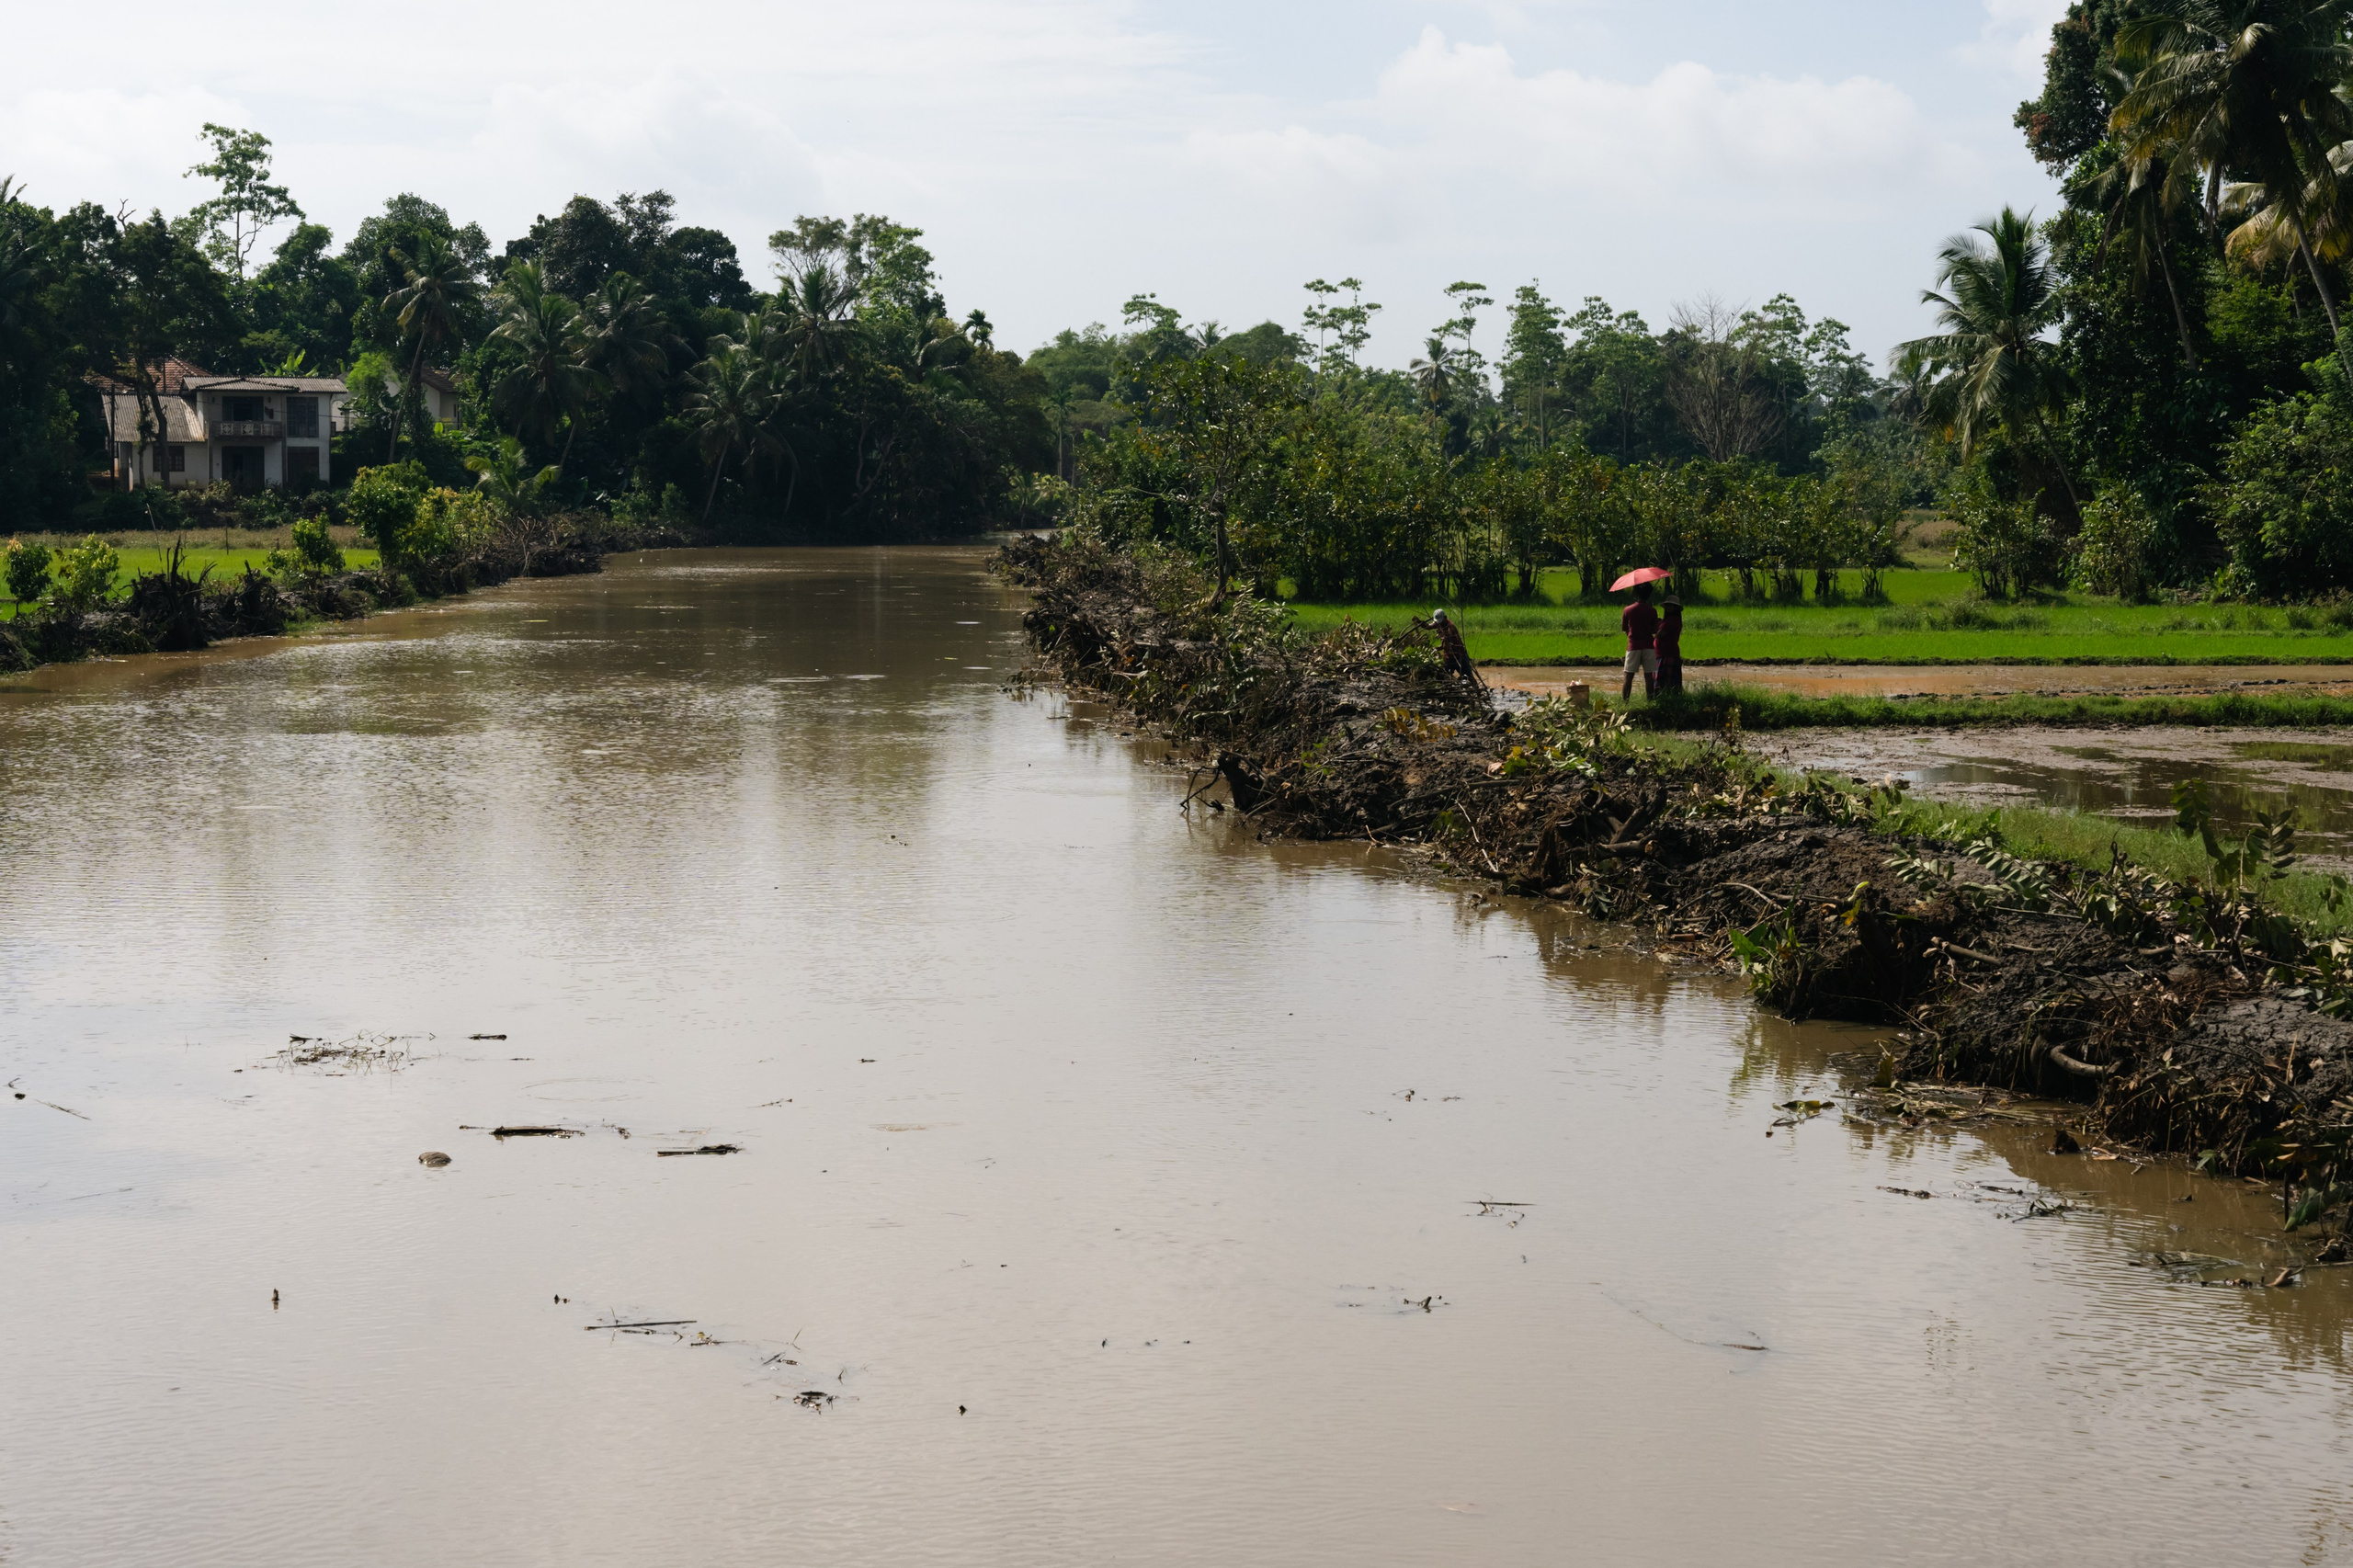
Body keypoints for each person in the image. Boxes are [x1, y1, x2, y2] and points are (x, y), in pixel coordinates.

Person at [1620, 582, 1659, 701]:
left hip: (1633, 646)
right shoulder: (1652, 610)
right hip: (1648, 645)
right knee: (1648, 676)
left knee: (1628, 675)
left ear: (1636, 593)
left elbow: (1624, 628)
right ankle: (1650, 701)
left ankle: (1625, 703)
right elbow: (1654, 629)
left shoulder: (1628, 610)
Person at [1424, 608, 1483, 687]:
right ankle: (1451, 690)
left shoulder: (1451, 627)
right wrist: (1419, 622)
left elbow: (1451, 644)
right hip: (1448, 657)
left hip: (1459, 656)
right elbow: (1428, 627)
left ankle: (1477, 691)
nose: (1439, 624)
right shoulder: (1438, 623)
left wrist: (1442, 643)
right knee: (1446, 676)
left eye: (1440, 621)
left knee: (1468, 676)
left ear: (1445, 618)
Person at [1655, 597, 1684, 696]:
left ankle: (1666, 699)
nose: (1669, 607)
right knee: (1666, 681)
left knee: (1666, 682)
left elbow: (1660, 634)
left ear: (1676, 608)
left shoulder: (1673, 620)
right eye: (1668, 605)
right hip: (1663, 654)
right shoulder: (1666, 621)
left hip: (1668, 654)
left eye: (1671, 606)